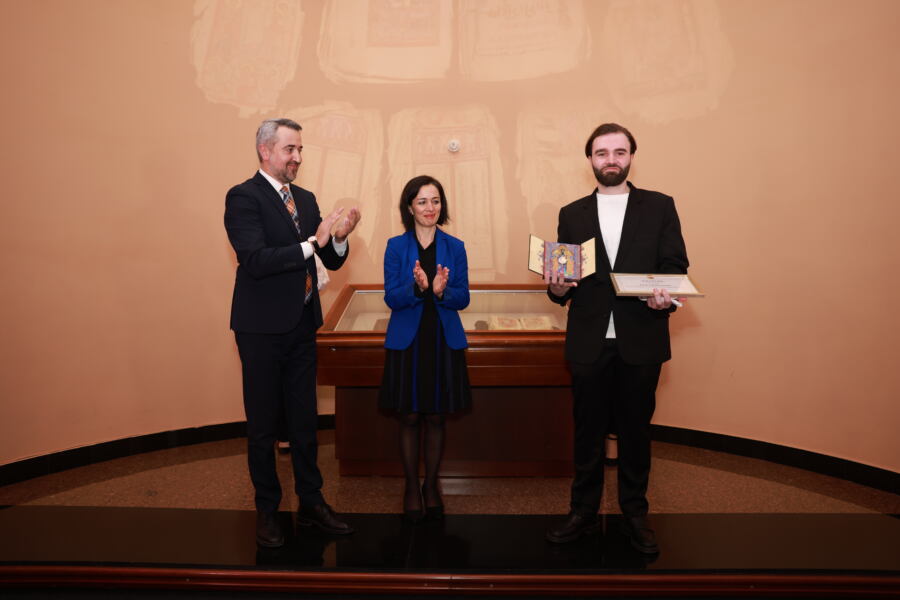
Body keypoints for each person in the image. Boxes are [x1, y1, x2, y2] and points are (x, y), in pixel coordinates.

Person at [544, 123, 689, 554]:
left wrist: (665, 296)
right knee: (587, 433)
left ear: (631, 157)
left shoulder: (660, 206)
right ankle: (582, 512)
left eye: (619, 152)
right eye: (602, 153)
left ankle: (635, 514)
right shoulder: (572, 213)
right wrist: (556, 287)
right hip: (588, 340)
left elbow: (675, 265)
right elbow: (563, 281)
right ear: (590, 159)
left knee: (635, 432)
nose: (611, 160)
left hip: (641, 337)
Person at [225, 118, 361, 547]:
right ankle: (268, 509)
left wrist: (339, 238)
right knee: (264, 424)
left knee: (304, 422)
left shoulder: (305, 198)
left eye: (300, 149)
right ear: (265, 150)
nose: (298, 157)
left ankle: (312, 502)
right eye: (290, 149)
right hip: (260, 330)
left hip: (302, 324)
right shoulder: (243, 197)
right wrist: (313, 243)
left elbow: (330, 260)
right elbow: (255, 259)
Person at [379, 175, 471, 522]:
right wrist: (418, 288)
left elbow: (463, 298)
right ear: (410, 207)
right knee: (409, 416)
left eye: (435, 201)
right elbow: (392, 297)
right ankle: (409, 486)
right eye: (422, 201)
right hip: (409, 341)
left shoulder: (455, 247)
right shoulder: (395, 246)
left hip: (442, 340)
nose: (430, 208)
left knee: (435, 416)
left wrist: (442, 291)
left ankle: (431, 485)